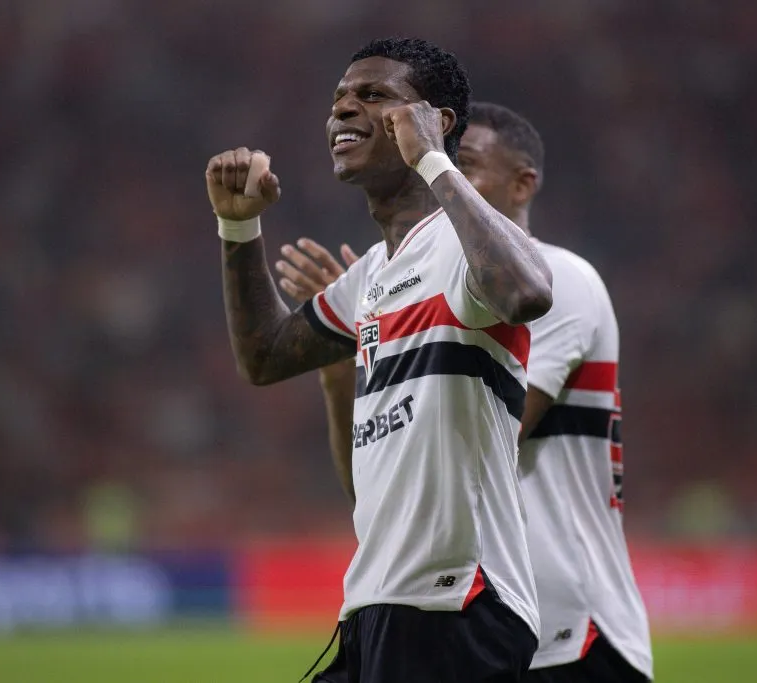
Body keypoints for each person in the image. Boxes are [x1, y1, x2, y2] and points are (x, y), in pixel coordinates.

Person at [206, 38, 552, 683]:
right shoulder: (370, 276)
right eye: (339, 98)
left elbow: (528, 293)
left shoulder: (462, 246)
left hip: (456, 604)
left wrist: (432, 161)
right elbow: (265, 357)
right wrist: (239, 229)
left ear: (434, 120)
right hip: (375, 604)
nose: (344, 109)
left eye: (372, 96)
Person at [277, 102, 654, 683]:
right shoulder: (433, 285)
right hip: (479, 625)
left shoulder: (559, 279)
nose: (441, 174)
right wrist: (346, 364)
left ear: (524, 183)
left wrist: (385, 341)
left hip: (572, 638)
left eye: (466, 163)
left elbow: (470, 430)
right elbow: (383, 490)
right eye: (441, 159)